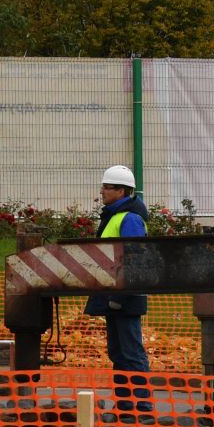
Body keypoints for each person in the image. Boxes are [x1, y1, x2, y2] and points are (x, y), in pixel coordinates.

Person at [88, 164, 151, 412]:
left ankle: (141, 407)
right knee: (118, 353)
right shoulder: (115, 216)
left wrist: (119, 296)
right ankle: (126, 406)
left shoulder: (130, 219)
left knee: (131, 353)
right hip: (114, 297)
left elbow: (133, 260)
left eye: (107, 187)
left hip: (124, 298)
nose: (102, 191)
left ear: (122, 191)